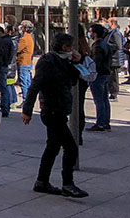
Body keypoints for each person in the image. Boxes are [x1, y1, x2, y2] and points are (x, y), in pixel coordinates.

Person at [22, 33, 89, 198]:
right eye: (69, 47)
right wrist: (27, 109)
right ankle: (67, 183)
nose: (71, 50)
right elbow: (35, 86)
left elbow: (74, 80)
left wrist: (76, 62)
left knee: (52, 147)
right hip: (51, 110)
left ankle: (42, 181)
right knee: (71, 148)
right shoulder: (48, 61)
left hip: (60, 108)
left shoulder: (63, 61)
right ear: (62, 47)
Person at [87, 23, 112, 132]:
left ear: (95, 34)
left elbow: (97, 62)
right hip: (106, 73)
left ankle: (101, 123)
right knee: (104, 99)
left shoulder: (97, 46)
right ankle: (105, 122)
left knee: (99, 100)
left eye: (91, 32)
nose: (90, 34)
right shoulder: (105, 44)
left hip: (99, 74)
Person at [105, 17, 124, 102]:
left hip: (115, 59)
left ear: (112, 23)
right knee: (110, 77)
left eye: (108, 22)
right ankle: (111, 93)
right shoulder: (111, 32)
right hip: (111, 58)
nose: (106, 24)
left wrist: (107, 46)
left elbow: (118, 46)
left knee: (114, 78)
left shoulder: (116, 33)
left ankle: (114, 94)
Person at [16, 21, 35, 105]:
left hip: (23, 62)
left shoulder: (24, 39)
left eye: (22, 27)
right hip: (28, 62)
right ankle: (28, 99)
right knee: (27, 81)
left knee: (24, 82)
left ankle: (25, 100)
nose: (21, 28)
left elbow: (18, 49)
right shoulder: (30, 37)